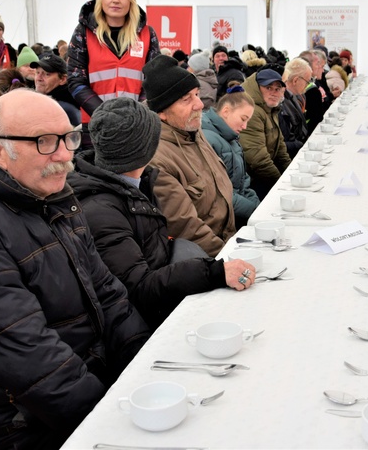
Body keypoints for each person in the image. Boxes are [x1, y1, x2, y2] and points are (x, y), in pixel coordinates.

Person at [0, 89, 149, 449]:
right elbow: (30, 357)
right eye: (44, 142)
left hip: (80, 388)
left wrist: (146, 369)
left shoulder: (54, 195)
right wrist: (112, 426)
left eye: (69, 137)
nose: (63, 155)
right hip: (15, 423)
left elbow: (108, 294)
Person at [69, 98, 256, 331]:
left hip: (163, 294)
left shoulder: (137, 183)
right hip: (145, 323)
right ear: (146, 148)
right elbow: (139, 288)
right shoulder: (102, 210)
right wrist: (213, 272)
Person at [143, 55, 236, 257]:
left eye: (197, 94)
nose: (199, 104)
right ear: (161, 112)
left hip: (228, 242)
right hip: (206, 259)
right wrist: (228, 257)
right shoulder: (156, 159)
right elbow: (185, 227)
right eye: (187, 99)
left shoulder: (190, 129)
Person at [67, 0, 159, 137]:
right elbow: (75, 82)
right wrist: (105, 115)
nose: (116, 0)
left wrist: (137, 114)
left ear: (130, 0)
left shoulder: (147, 34)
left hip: (136, 126)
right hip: (95, 124)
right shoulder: (83, 32)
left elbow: (153, 81)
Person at [202, 88, 260, 228]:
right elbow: (219, 193)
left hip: (236, 212)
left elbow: (243, 180)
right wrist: (254, 211)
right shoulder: (208, 139)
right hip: (222, 221)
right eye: (243, 119)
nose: (245, 126)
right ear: (226, 111)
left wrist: (257, 205)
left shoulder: (231, 138)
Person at [240, 68, 292, 199]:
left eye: (277, 89)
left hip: (263, 174)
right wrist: (281, 184)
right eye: (268, 88)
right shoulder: (252, 111)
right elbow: (257, 159)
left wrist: (291, 176)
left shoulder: (269, 109)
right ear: (257, 88)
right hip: (250, 180)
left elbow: (280, 148)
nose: (274, 93)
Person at [32, 53, 81, 125]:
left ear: (63, 79)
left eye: (46, 74)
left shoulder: (63, 108)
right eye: (37, 72)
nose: (38, 78)